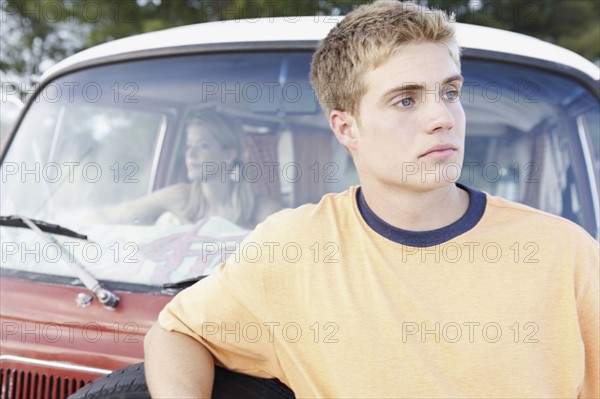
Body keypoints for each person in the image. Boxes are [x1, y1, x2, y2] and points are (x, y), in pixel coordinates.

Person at [144, 1, 599, 398]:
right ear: (346, 128)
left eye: (450, 92)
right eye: (406, 100)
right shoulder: (294, 248)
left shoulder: (566, 254)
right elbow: (176, 333)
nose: (443, 117)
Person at [91, 111, 280, 229]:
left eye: (203, 146)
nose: (191, 154)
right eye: (189, 146)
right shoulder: (180, 197)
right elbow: (111, 215)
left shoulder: (263, 211)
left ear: (229, 154)